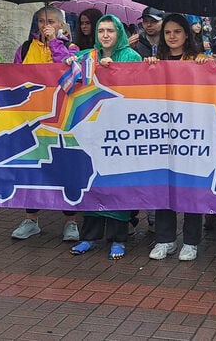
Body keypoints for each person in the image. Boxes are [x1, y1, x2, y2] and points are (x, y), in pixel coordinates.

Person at [67, 14, 142, 260]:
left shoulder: (131, 56)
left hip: (122, 133)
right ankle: (89, 237)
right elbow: (59, 68)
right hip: (95, 132)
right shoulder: (89, 56)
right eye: (101, 31)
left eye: (110, 30)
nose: (106, 35)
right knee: (94, 183)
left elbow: (140, 86)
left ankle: (118, 239)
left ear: (119, 33)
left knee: (118, 186)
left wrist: (116, 72)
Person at [3, 6, 80, 241]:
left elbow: (68, 70)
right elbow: (15, 78)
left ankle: (71, 222)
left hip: (62, 118)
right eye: (40, 21)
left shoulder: (71, 48)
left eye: (50, 21)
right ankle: (31, 219)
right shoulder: (25, 48)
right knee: (31, 166)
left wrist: (55, 42)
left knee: (65, 167)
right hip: (32, 117)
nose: (44, 25)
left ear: (61, 25)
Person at [144, 14, 210, 262]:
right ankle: (165, 239)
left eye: (177, 32)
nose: (172, 36)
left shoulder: (196, 60)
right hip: (163, 134)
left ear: (186, 35)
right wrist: (148, 66)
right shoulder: (156, 61)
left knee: (191, 187)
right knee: (164, 186)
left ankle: (191, 241)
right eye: (168, 32)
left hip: (190, 133)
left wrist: (206, 66)